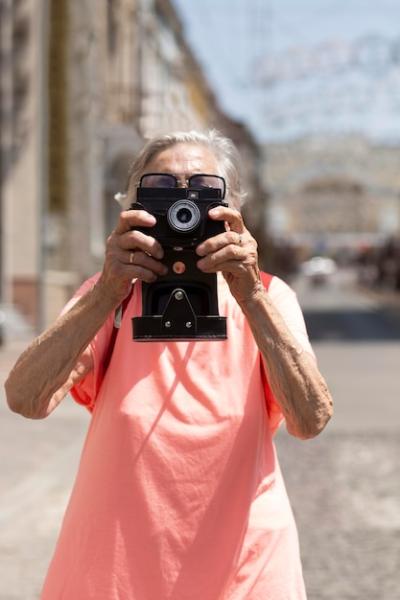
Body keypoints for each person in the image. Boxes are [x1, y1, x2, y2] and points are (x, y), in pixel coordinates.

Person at [5, 130, 333, 599]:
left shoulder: (268, 295)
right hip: (116, 573)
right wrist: (106, 292)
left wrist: (250, 296)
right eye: (162, 190)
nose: (184, 210)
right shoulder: (108, 293)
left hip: (245, 570)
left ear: (233, 209)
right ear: (133, 207)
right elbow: (26, 398)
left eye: (201, 191)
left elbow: (310, 418)